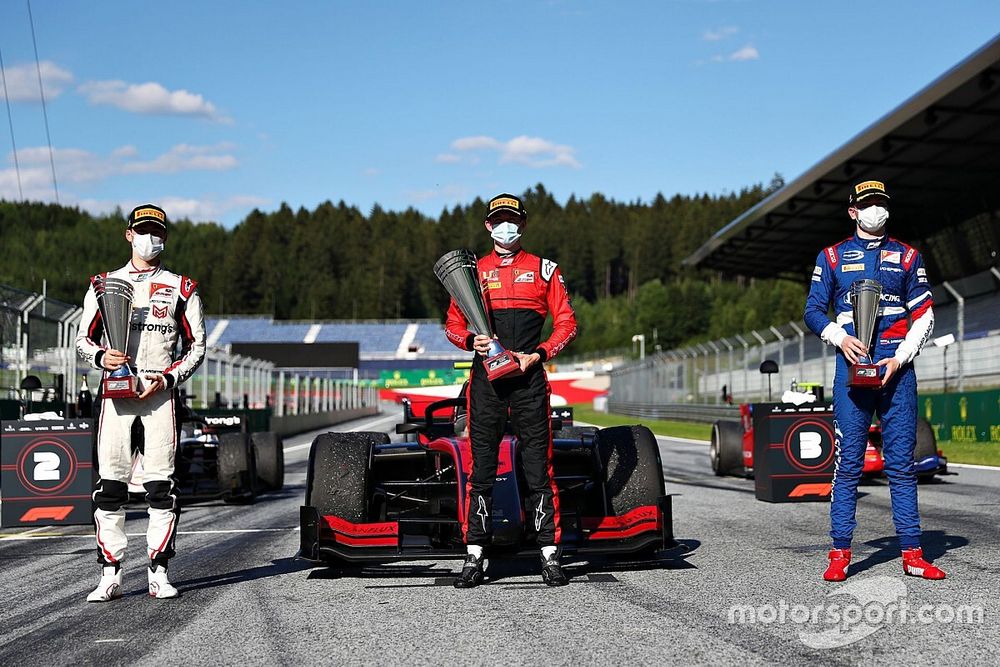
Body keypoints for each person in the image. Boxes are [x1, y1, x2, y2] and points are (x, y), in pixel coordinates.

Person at [804, 180, 944, 582]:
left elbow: (925, 314)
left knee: (901, 465)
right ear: (853, 211)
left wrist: (900, 358)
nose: (875, 209)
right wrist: (840, 338)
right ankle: (839, 553)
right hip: (852, 370)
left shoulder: (908, 256)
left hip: (897, 372)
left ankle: (913, 554)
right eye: (867, 204)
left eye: (881, 203)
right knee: (848, 464)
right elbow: (813, 310)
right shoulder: (832, 256)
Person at [444, 193, 578, 588]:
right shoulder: (471, 272)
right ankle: (474, 555)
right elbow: (452, 325)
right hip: (485, 381)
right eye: (499, 220)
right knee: (481, 469)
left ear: (523, 224)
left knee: (539, 469)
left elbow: (567, 323)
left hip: (529, 380)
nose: (507, 226)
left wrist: (538, 354)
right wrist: (470, 341)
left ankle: (549, 555)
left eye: (513, 220)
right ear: (489, 225)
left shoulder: (545, 269)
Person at [76, 204, 206, 601]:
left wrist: (167, 378)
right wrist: (102, 357)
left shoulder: (182, 287)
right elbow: (83, 340)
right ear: (129, 234)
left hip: (159, 394)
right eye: (144, 230)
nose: (151, 238)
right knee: (110, 487)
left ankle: (159, 572)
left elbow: (197, 346)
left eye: (158, 232)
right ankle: (109, 574)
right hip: (115, 395)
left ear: (165, 237)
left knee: (161, 487)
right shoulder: (103, 284)